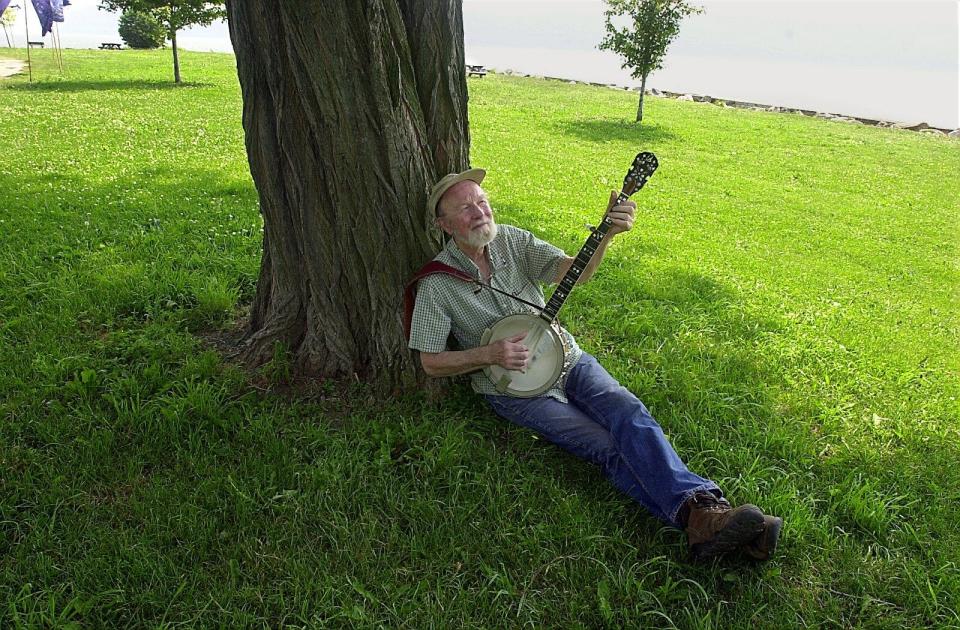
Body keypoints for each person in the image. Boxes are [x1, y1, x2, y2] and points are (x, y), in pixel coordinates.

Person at [407, 168, 782, 560]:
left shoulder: (513, 240)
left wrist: (604, 233)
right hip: (516, 391)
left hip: (567, 358)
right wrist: (487, 354)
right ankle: (709, 518)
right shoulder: (437, 285)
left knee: (628, 411)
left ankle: (708, 519)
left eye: (482, 201)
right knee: (604, 445)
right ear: (444, 225)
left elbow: (577, 272)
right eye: (465, 208)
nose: (480, 212)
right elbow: (431, 362)